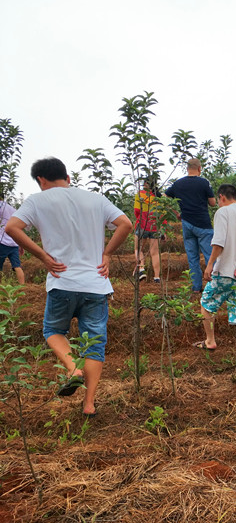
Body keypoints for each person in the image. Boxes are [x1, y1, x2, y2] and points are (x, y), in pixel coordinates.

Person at [5, 157, 133, 416]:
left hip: (62, 281)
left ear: (41, 180)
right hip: (96, 283)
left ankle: (73, 369)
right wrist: (107, 253)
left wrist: (43, 257)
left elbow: (12, 227)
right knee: (94, 344)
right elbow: (126, 224)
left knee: (53, 329)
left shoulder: (37, 200)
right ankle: (89, 404)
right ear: (68, 178)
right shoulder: (95, 199)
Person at [196, 184, 236, 367]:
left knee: (206, 304)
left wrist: (210, 265)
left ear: (221, 197)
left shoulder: (222, 213)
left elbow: (218, 243)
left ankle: (210, 341)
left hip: (223, 273)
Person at [165, 158, 216, 292]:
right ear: (199, 168)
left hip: (187, 224)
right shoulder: (204, 182)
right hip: (203, 224)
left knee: (192, 258)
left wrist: (176, 213)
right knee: (210, 256)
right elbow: (213, 203)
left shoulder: (178, 184)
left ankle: (196, 287)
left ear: (187, 168)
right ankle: (214, 285)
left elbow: (164, 198)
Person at [134, 177, 162, 283]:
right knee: (155, 253)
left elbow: (137, 211)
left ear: (146, 184)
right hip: (155, 226)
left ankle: (141, 269)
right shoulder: (158, 197)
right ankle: (157, 277)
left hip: (142, 224)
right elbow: (162, 214)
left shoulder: (140, 194)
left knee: (138, 249)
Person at [0, 199, 25, 284]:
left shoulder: (1, 206)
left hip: (2, 242)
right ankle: (22, 287)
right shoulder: (14, 210)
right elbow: (19, 228)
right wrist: (21, 245)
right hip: (14, 243)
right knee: (17, 266)